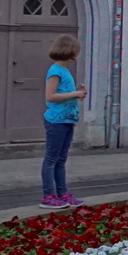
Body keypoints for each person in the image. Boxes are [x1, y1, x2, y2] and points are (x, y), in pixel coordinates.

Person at [41, 34, 87, 208]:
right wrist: (75, 94)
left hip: (67, 120)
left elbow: (63, 95)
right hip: (56, 121)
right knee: (51, 159)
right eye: (76, 51)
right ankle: (48, 195)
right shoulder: (55, 71)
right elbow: (50, 96)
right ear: (69, 51)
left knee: (61, 159)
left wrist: (77, 93)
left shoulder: (65, 71)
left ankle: (62, 193)